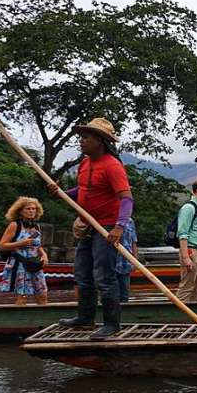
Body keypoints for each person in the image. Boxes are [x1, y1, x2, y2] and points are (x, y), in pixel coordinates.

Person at [48, 117, 133, 340]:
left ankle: (111, 324)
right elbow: (84, 189)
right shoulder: (85, 164)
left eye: (86, 137)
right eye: (81, 137)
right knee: (82, 273)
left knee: (104, 276)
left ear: (100, 141)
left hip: (105, 226)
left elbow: (126, 199)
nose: (81, 141)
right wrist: (63, 193)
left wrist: (119, 227)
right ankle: (85, 317)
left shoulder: (112, 166)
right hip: (87, 224)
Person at [0, 196, 49, 306]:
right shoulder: (14, 225)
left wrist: (44, 255)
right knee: (22, 297)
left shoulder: (36, 226)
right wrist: (21, 243)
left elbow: (37, 245)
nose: (31, 211)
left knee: (42, 295)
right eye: (28, 209)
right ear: (20, 211)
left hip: (35, 264)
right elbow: (2, 246)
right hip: (20, 264)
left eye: (34, 209)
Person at [113, 218, 138, 302]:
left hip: (125, 263)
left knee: (124, 294)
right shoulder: (109, 220)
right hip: (111, 262)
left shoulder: (130, 221)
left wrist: (135, 261)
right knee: (110, 293)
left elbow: (133, 242)